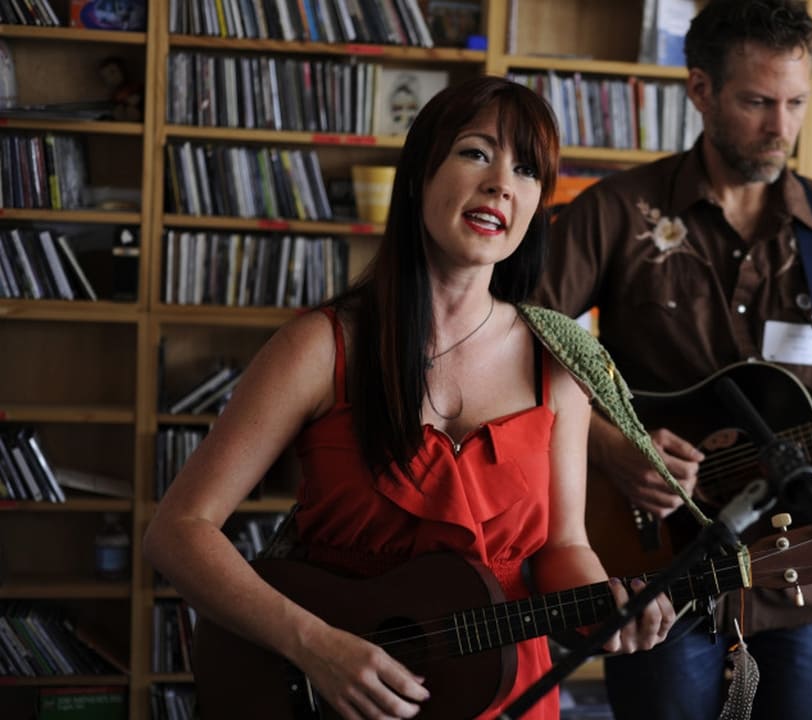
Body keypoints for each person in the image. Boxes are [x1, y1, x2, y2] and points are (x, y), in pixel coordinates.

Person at [144, 76, 675, 720]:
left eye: (528, 169)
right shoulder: (321, 345)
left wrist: (605, 612)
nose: (501, 183)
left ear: (538, 204)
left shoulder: (557, 362)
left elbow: (563, 546)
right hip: (328, 689)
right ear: (421, 172)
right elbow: (178, 532)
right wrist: (315, 646)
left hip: (509, 692)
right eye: (476, 152)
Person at [533, 1, 812, 717]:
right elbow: (523, 352)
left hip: (802, 556)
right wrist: (611, 446)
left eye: (797, 102)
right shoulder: (616, 210)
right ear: (701, 91)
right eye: (756, 102)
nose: (782, 128)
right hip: (658, 552)